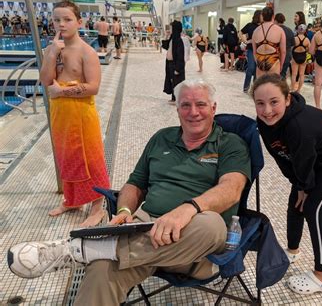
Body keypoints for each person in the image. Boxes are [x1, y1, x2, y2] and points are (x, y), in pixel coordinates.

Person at [7, 79, 252, 305]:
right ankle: (100, 251)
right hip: (146, 228)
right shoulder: (161, 138)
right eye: (185, 105)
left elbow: (231, 190)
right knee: (102, 266)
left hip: (194, 245)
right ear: (177, 109)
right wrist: (124, 210)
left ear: (213, 107)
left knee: (211, 225)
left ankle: (86, 249)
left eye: (201, 104)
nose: (193, 112)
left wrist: (187, 210)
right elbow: (135, 183)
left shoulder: (229, 143)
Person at [251, 74, 322, 295]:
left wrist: (306, 187)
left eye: (274, 102)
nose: (267, 110)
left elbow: (304, 158)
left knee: (314, 208)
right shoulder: (264, 122)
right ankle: (292, 250)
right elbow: (282, 156)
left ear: (287, 99)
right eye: (260, 103)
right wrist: (298, 185)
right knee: (296, 203)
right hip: (312, 155)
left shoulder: (299, 125)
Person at [39, 0, 110, 227]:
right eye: (57, 20)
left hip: (81, 115)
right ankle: (72, 200)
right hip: (60, 115)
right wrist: (51, 55)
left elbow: (93, 87)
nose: (61, 24)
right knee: (66, 158)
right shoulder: (51, 50)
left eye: (67, 20)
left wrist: (62, 91)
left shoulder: (86, 52)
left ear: (79, 22)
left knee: (90, 160)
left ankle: (98, 206)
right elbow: (45, 80)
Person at [252, 6, 286, 78]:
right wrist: (281, 65)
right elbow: (283, 51)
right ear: (273, 16)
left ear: (262, 16)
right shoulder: (279, 30)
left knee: (260, 86)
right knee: (273, 87)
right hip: (273, 60)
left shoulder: (256, 31)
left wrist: (257, 62)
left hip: (260, 59)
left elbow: (254, 52)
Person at [163, 20, 185, 103]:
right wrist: (166, 36)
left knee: (176, 81)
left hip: (175, 64)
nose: (170, 30)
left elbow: (180, 56)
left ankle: (176, 98)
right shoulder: (172, 39)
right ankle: (173, 97)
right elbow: (165, 46)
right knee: (171, 80)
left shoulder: (179, 41)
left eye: (171, 28)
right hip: (169, 63)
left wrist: (178, 69)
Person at [241, 10, 262, 92]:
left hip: (261, 50)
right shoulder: (250, 25)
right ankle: (246, 87)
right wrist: (245, 41)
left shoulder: (263, 26)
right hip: (250, 49)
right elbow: (240, 33)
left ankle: (255, 87)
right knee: (251, 67)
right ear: (258, 16)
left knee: (258, 69)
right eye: (261, 15)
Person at [274, 13, 295, 80]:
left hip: (276, 55)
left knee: (274, 75)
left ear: (275, 20)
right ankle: (282, 89)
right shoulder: (289, 30)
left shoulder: (275, 30)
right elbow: (293, 44)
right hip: (287, 55)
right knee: (283, 74)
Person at [290, 24, 310, 92]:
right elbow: (309, 50)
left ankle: (292, 88)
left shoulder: (295, 39)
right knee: (302, 74)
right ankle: (298, 90)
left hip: (295, 56)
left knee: (294, 74)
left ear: (298, 30)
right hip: (303, 56)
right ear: (305, 31)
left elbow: (291, 48)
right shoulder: (307, 40)